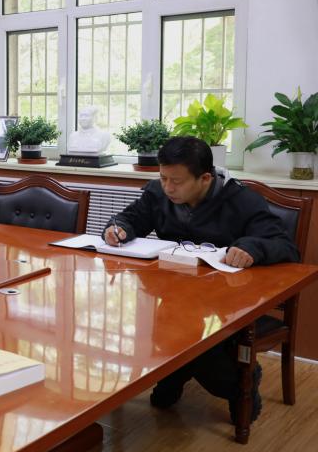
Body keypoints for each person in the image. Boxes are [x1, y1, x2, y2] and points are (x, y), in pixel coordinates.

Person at [102, 136, 299, 422]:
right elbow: (131, 219)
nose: (168, 188)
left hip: (225, 301)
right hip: (174, 294)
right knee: (157, 328)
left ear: (205, 178)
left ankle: (239, 383)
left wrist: (251, 248)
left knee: (202, 352)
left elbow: (285, 246)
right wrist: (118, 229)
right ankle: (177, 370)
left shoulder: (241, 200)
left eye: (176, 181)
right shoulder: (158, 193)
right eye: (163, 178)